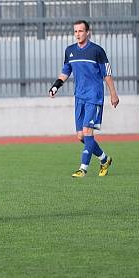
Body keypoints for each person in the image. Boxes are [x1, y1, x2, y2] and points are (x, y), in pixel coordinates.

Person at [49, 20, 119, 178]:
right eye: (75, 31)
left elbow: (106, 74)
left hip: (94, 97)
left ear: (88, 32)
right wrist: (55, 86)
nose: (78, 34)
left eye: (81, 31)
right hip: (79, 97)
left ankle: (83, 169)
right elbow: (65, 72)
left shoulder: (97, 51)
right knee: (81, 136)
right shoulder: (70, 51)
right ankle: (104, 159)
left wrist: (113, 94)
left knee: (88, 132)